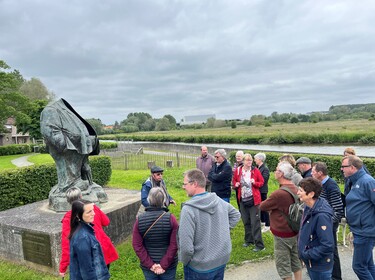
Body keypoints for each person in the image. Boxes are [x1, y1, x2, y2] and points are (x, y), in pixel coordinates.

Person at [40, 98, 107, 211]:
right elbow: (51, 132)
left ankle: (81, 184)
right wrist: (65, 144)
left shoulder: (63, 109)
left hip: (74, 148)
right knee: (75, 181)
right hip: (66, 149)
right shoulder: (50, 111)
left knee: (86, 178)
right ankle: (68, 186)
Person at [179, 169, 241, 280]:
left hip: (199, 266)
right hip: (221, 258)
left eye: (185, 184)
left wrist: (185, 261)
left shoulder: (188, 210)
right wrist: (222, 229)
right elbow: (236, 214)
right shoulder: (217, 200)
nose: (184, 187)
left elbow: (186, 248)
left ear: (194, 184)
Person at [59, 187, 118, 277]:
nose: (92, 213)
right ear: (81, 196)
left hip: (89, 256)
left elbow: (66, 243)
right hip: (101, 249)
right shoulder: (93, 208)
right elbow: (106, 221)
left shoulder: (69, 217)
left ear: (68, 201)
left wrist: (63, 267)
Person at [260, 162, 302, 280]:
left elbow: (262, 206)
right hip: (294, 230)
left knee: (283, 265)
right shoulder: (296, 188)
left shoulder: (279, 193)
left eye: (277, 170)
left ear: (282, 174)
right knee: (295, 260)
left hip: (282, 233)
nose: (275, 172)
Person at [132, 188, 179, 280]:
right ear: (163, 200)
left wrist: (151, 265)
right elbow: (174, 244)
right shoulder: (171, 218)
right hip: (169, 264)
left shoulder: (139, 220)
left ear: (149, 200)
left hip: (148, 265)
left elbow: (137, 245)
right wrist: (164, 264)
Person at [341, 155, 375, 279]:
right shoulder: (353, 181)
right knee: (368, 264)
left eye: (343, 166)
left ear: (352, 167)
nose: (341, 169)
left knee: (359, 266)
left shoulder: (367, 181)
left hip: (365, 231)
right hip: (360, 229)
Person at [312, 161, 344, 280]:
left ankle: (336, 277)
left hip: (329, 224)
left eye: (313, 171)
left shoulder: (331, 185)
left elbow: (338, 209)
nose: (311, 173)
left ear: (320, 173)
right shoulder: (320, 184)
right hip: (323, 223)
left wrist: (328, 224)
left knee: (332, 250)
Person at [297, 177, 335, 280]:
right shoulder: (308, 207)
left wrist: (306, 254)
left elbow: (327, 245)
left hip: (320, 266)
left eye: (301, 191)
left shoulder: (321, 216)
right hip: (312, 262)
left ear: (311, 194)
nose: (297, 193)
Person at [68, 199, 110, 280]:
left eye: (93, 210)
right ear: (78, 215)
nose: (93, 214)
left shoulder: (86, 229)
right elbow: (86, 270)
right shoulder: (82, 237)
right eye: (89, 212)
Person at [232, 153, 265, 251]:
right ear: (243, 161)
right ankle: (248, 240)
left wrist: (255, 183)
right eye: (247, 160)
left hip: (254, 200)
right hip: (242, 199)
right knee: (246, 221)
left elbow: (262, 182)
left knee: (255, 222)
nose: (249, 162)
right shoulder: (238, 170)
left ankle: (259, 245)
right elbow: (234, 181)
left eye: (250, 160)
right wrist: (236, 184)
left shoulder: (255, 171)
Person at [254, 152, 270, 233]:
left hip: (262, 191)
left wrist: (255, 182)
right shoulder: (258, 167)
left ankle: (268, 225)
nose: (254, 160)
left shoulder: (265, 168)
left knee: (265, 207)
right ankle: (263, 221)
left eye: (256, 159)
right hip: (258, 190)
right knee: (261, 207)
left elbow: (264, 180)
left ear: (260, 159)